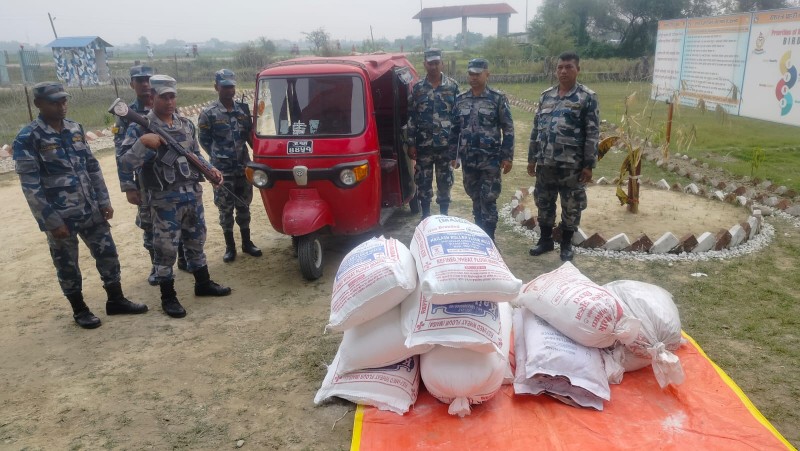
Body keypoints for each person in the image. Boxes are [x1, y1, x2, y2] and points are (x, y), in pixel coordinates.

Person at [13, 82, 148, 329]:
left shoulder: (75, 128)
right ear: (38, 104)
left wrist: (104, 201)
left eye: (64, 100)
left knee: (108, 254)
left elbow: (92, 167)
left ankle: (116, 300)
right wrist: (51, 222)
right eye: (54, 102)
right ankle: (80, 309)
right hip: (61, 216)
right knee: (67, 264)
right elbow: (31, 186)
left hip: (91, 209)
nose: (61, 106)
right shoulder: (28, 138)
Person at [120, 75, 231, 318]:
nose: (170, 102)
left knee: (196, 241)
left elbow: (194, 153)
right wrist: (142, 143)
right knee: (166, 250)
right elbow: (126, 162)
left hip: (191, 196)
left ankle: (203, 284)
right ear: (152, 98)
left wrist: (211, 170)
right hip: (162, 201)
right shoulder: (139, 126)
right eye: (164, 97)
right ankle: (168, 298)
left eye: (173, 96)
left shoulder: (184, 123)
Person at [113, 65, 188, 286]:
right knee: (149, 223)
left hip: (174, 178)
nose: (144, 83)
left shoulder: (170, 105)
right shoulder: (127, 113)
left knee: (180, 218)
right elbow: (122, 154)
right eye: (139, 80)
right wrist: (128, 185)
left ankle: (183, 258)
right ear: (132, 84)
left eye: (147, 79)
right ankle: (157, 266)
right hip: (147, 180)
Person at [527, 51, 599, 262]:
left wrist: (589, 164)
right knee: (544, 202)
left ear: (578, 69)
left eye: (568, 67)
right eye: (560, 67)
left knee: (571, 205)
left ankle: (566, 244)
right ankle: (545, 240)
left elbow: (592, 133)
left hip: (572, 165)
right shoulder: (546, 96)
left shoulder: (587, 97)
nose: (563, 71)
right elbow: (536, 129)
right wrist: (532, 159)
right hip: (546, 163)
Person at [198, 69, 262, 262]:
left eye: (232, 86)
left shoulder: (242, 110)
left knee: (244, 205)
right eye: (225, 86)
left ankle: (247, 243)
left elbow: (250, 137)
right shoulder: (208, 113)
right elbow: (204, 141)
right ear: (216, 87)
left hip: (242, 166)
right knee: (225, 209)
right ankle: (230, 247)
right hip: (222, 169)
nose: (229, 90)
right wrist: (219, 157)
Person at [447, 58, 514, 241]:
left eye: (477, 73)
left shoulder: (497, 99)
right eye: (471, 73)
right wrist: (454, 155)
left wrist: (507, 156)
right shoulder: (461, 100)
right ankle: (480, 236)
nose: (474, 77)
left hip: (490, 160)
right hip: (469, 160)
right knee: (475, 198)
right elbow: (454, 130)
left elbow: (508, 128)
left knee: (489, 199)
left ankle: (490, 240)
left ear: (487, 74)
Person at [407, 48, 459, 219]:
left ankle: (443, 216)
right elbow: (412, 117)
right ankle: (426, 217)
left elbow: (458, 119)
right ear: (425, 64)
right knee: (423, 182)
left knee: (445, 182)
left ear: (441, 63)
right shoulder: (418, 89)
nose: (434, 66)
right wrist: (411, 143)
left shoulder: (452, 87)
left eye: (437, 63)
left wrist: (456, 148)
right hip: (424, 146)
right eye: (430, 63)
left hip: (446, 145)